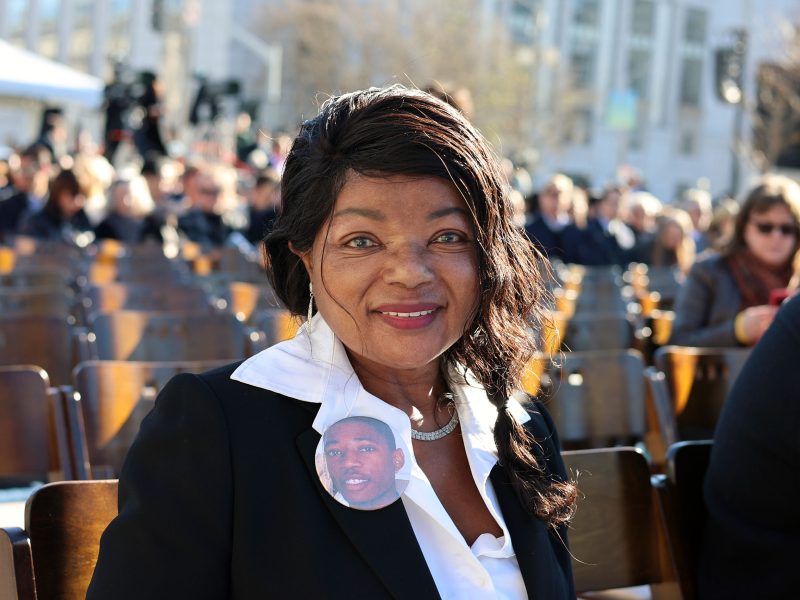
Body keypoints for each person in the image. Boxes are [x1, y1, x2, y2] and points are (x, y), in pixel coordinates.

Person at [87, 86, 576, 599]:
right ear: (303, 254)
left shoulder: (522, 426)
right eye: (361, 241)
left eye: (448, 237)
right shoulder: (216, 431)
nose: (410, 272)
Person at [698, 293, 800, 598]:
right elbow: (680, 335)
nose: (776, 241)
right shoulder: (711, 273)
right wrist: (736, 329)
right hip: (767, 576)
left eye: (788, 239)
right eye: (766, 237)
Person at [670, 175, 800, 347]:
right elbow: (679, 342)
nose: (776, 237)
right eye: (765, 227)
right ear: (743, 226)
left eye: (786, 229)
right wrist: (736, 331)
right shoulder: (708, 271)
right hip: (723, 373)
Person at [320, 416, 408, 510]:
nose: (348, 463)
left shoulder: (420, 514)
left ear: (396, 459)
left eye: (366, 449)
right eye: (334, 452)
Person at [18, 168, 93, 244]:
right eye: (72, 194)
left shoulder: (81, 219)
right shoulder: (36, 223)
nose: (78, 202)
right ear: (58, 193)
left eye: (83, 195)